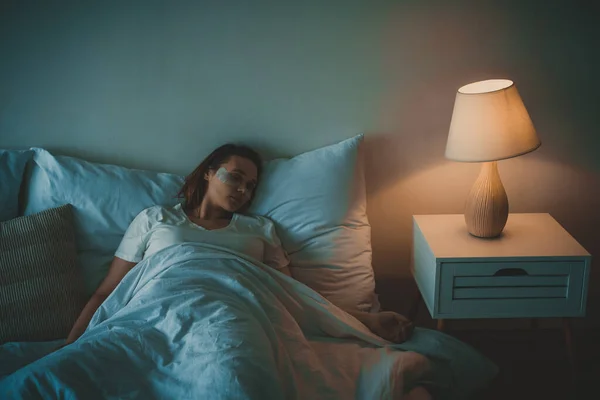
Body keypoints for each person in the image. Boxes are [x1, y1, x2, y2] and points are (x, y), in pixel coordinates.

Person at [64, 144, 413, 347]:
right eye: (234, 176)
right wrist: (69, 346)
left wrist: (365, 320)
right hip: (159, 314)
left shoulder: (259, 228)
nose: (242, 190)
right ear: (207, 172)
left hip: (236, 315)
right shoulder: (155, 219)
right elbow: (107, 292)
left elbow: (295, 297)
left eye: (250, 185)